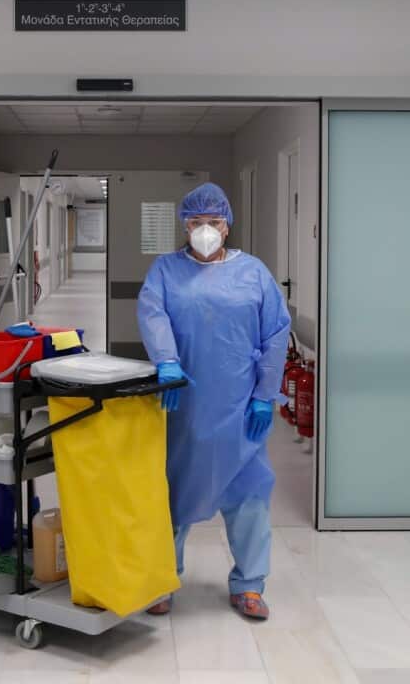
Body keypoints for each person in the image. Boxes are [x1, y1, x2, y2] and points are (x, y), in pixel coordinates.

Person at [136, 182, 291, 621]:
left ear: (228, 225)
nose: (205, 229)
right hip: (184, 403)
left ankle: (249, 585)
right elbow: (153, 314)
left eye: (214, 222)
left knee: (248, 493)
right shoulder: (166, 271)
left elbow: (276, 334)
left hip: (240, 406)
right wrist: (166, 362)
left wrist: (265, 396)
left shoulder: (254, 273)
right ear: (185, 225)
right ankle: (164, 579)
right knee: (175, 488)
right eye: (197, 222)